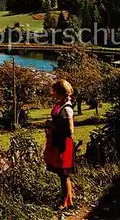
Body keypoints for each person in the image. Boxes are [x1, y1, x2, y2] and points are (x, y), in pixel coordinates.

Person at [44, 79, 75, 210]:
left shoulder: (67, 109)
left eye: (54, 90)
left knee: (64, 174)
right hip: (59, 143)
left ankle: (64, 203)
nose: (52, 92)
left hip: (64, 145)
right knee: (63, 174)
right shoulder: (61, 105)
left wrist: (52, 125)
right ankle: (69, 201)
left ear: (59, 92)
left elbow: (70, 130)